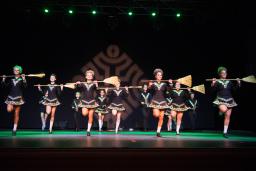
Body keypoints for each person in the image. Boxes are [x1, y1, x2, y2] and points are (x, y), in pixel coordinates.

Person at [211, 66, 240, 138]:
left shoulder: (229, 81)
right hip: (220, 100)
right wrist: (213, 83)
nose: (224, 74)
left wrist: (238, 83)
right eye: (222, 73)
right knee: (224, 110)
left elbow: (234, 90)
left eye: (225, 72)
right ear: (220, 74)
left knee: (228, 116)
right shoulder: (217, 81)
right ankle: (220, 112)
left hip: (230, 100)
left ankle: (225, 132)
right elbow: (213, 90)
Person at [1, 65, 27, 136]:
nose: (16, 71)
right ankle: (14, 128)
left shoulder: (21, 79)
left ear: (20, 71)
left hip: (18, 98)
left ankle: (14, 129)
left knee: (16, 114)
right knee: (9, 110)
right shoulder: (11, 79)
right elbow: (4, 86)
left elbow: (25, 87)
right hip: (11, 97)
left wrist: (24, 79)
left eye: (17, 70)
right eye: (15, 70)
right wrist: (3, 79)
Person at [148, 68, 173, 137]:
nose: (160, 76)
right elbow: (149, 91)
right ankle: (158, 131)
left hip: (162, 102)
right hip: (155, 101)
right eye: (158, 75)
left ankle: (158, 132)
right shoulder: (153, 84)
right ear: (155, 76)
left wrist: (170, 84)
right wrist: (149, 86)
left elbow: (169, 92)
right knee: (156, 114)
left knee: (161, 117)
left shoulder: (164, 84)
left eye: (161, 75)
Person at [76, 69, 98, 136]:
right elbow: (78, 87)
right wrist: (78, 83)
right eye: (87, 75)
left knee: (90, 116)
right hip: (84, 102)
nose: (89, 76)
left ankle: (88, 131)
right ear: (86, 77)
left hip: (91, 102)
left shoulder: (94, 83)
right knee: (84, 114)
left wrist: (96, 84)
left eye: (90, 75)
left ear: (92, 77)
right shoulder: (83, 83)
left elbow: (97, 89)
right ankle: (88, 129)